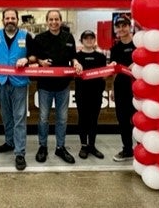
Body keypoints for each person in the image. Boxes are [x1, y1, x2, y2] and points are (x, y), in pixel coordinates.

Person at [0, 8, 35, 171]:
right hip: (0, 81)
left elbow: (35, 56)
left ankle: (19, 153)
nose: (10, 20)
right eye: (7, 18)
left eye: (13, 18)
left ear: (17, 19)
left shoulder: (26, 36)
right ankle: (9, 142)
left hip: (19, 83)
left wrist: (26, 59)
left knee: (19, 117)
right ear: (3, 20)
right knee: (6, 115)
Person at [33, 10, 82, 165]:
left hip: (63, 85)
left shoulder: (68, 37)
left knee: (62, 119)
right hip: (45, 86)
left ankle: (60, 147)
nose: (54, 22)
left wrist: (76, 62)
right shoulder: (39, 38)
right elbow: (32, 57)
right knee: (43, 118)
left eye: (56, 19)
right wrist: (41, 62)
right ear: (47, 21)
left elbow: (73, 56)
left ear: (60, 21)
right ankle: (43, 147)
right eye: (51, 19)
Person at [74, 30, 108, 160]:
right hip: (81, 94)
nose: (89, 40)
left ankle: (92, 146)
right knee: (83, 119)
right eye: (86, 38)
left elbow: (104, 76)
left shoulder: (101, 57)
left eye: (91, 38)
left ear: (94, 40)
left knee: (94, 120)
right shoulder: (76, 58)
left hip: (96, 94)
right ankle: (84, 146)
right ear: (81, 41)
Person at [109, 15, 137, 162]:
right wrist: (113, 89)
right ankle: (127, 149)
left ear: (129, 27)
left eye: (124, 25)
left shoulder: (139, 44)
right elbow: (115, 70)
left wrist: (138, 65)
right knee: (123, 120)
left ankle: (142, 148)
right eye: (118, 26)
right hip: (121, 88)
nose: (121, 29)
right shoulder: (115, 48)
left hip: (138, 89)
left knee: (139, 119)